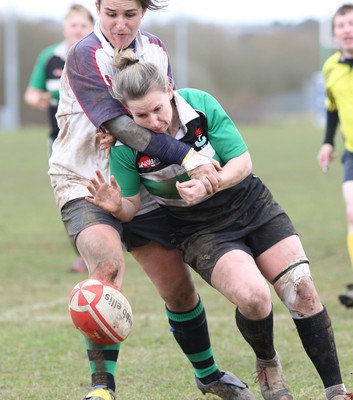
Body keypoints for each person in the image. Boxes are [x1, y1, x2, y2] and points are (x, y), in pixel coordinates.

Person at [86, 48, 353, 400]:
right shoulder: (127, 144)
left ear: (169, 89)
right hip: (200, 230)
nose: (153, 121)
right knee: (255, 299)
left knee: (301, 289)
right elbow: (132, 207)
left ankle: (336, 389)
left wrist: (212, 182)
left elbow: (242, 161)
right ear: (127, 113)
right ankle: (268, 364)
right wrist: (116, 205)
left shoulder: (199, 104)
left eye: (157, 109)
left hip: (251, 204)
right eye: (141, 115)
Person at [48, 1, 255, 400]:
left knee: (177, 288)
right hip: (85, 182)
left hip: (143, 183)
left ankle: (208, 376)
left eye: (130, 13)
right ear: (97, 8)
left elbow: (168, 117)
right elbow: (119, 124)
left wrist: (197, 165)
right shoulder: (84, 54)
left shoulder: (156, 50)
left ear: (144, 11)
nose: (120, 23)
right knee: (106, 269)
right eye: (111, 13)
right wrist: (188, 158)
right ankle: (101, 389)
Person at [24, 3, 95, 273]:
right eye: (72, 25)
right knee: (69, 195)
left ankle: (110, 242)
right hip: (60, 140)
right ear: (65, 28)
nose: (77, 29)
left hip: (97, 139)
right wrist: (38, 98)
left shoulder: (99, 53)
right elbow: (31, 93)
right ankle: (83, 250)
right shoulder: (50, 57)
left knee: (99, 190)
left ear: (91, 27)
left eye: (83, 25)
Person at [317, 3, 353, 308]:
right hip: (352, 153)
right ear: (334, 33)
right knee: (352, 213)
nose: (347, 30)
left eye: (352, 23)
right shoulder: (330, 68)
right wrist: (328, 143)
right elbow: (332, 108)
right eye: (341, 25)